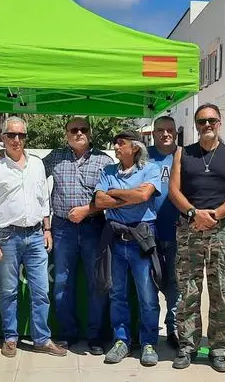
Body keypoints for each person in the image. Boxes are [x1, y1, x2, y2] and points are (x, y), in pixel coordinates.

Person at [0, 117, 67, 358]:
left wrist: (47, 229)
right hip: (6, 237)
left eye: (21, 135)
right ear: (4, 138)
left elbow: (43, 200)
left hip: (36, 235)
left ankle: (42, 339)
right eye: (11, 135)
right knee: (8, 291)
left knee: (41, 290)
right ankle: (10, 337)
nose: (16, 140)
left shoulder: (37, 165)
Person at [168, 103, 225, 372]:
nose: (207, 126)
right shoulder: (183, 154)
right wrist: (193, 213)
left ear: (220, 123)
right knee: (188, 290)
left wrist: (213, 215)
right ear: (196, 126)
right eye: (202, 122)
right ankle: (187, 346)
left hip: (221, 230)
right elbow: (174, 191)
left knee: (220, 292)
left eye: (212, 120)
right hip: (189, 230)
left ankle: (218, 348)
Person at [43, 117, 114, 354]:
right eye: (73, 130)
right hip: (62, 229)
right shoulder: (55, 157)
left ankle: (95, 336)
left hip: (94, 228)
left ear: (90, 133)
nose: (79, 133)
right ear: (66, 134)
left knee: (97, 284)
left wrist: (88, 210)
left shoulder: (104, 160)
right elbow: (29, 173)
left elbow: (111, 197)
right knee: (62, 283)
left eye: (83, 129)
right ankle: (67, 333)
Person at [94, 130, 162, 366]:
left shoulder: (150, 169)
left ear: (134, 148)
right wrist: (128, 196)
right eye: (115, 143)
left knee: (147, 295)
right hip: (114, 238)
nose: (116, 147)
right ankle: (121, 340)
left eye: (121, 143)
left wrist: (114, 192)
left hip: (141, 238)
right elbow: (99, 201)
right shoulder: (108, 171)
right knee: (117, 294)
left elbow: (144, 196)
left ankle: (149, 342)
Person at [147, 115, 181, 349]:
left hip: (178, 231)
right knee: (147, 284)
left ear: (176, 134)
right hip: (146, 232)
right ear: (153, 133)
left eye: (170, 130)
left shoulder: (185, 156)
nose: (165, 134)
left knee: (175, 286)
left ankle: (173, 328)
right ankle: (148, 330)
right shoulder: (143, 155)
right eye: (160, 130)